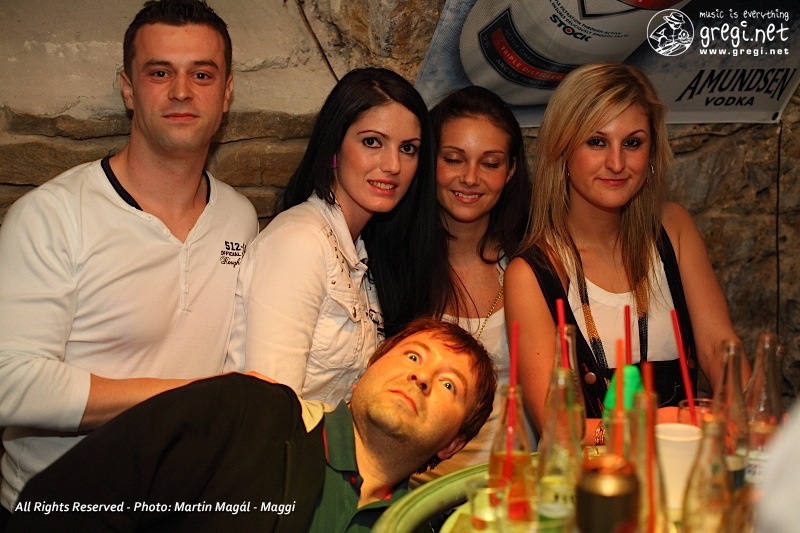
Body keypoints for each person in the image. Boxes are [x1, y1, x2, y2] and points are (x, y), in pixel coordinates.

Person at [0, 0, 258, 519]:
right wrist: (190, 396)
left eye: (202, 74)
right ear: (128, 88)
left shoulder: (239, 218)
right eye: (159, 72)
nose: (181, 91)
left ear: (226, 92)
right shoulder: (53, 216)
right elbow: (11, 383)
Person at [7, 318, 497, 532]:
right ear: (364, 373)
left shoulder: (430, 525)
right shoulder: (246, 416)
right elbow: (60, 504)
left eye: (449, 384)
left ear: (453, 445)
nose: (421, 376)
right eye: (412, 355)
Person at [504, 62, 739, 443]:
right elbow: (558, 428)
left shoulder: (673, 228)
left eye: (632, 143)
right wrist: (667, 422)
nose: (616, 163)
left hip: (687, 468)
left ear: (651, 153)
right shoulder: (533, 273)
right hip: (596, 478)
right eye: (597, 142)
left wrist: (745, 418)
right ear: (563, 151)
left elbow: (720, 349)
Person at [229, 67, 445, 406]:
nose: (393, 165)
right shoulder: (300, 242)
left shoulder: (363, 251)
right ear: (334, 146)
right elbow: (272, 408)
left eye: (408, 148)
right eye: (372, 142)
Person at [413, 86, 533, 484]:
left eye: (490, 163)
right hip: (412, 496)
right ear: (430, 160)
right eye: (453, 159)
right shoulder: (393, 263)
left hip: (512, 492)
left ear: (510, 171)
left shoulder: (531, 266)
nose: (469, 178)